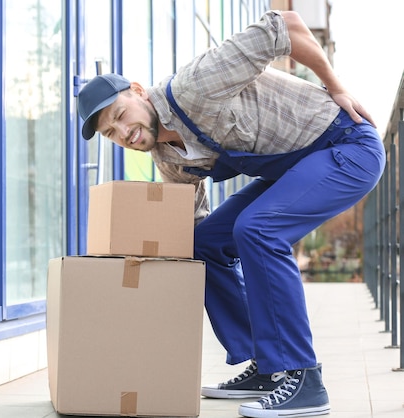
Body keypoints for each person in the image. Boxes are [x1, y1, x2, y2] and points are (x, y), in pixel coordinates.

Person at [77, 10, 385, 418]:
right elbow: (188, 229)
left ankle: (302, 377)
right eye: (111, 134)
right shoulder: (168, 158)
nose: (124, 133)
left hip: (345, 147)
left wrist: (337, 87)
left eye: (120, 116)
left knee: (257, 230)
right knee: (204, 242)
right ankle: (267, 363)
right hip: (291, 170)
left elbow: (286, 25)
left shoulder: (194, 86)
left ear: (137, 91)